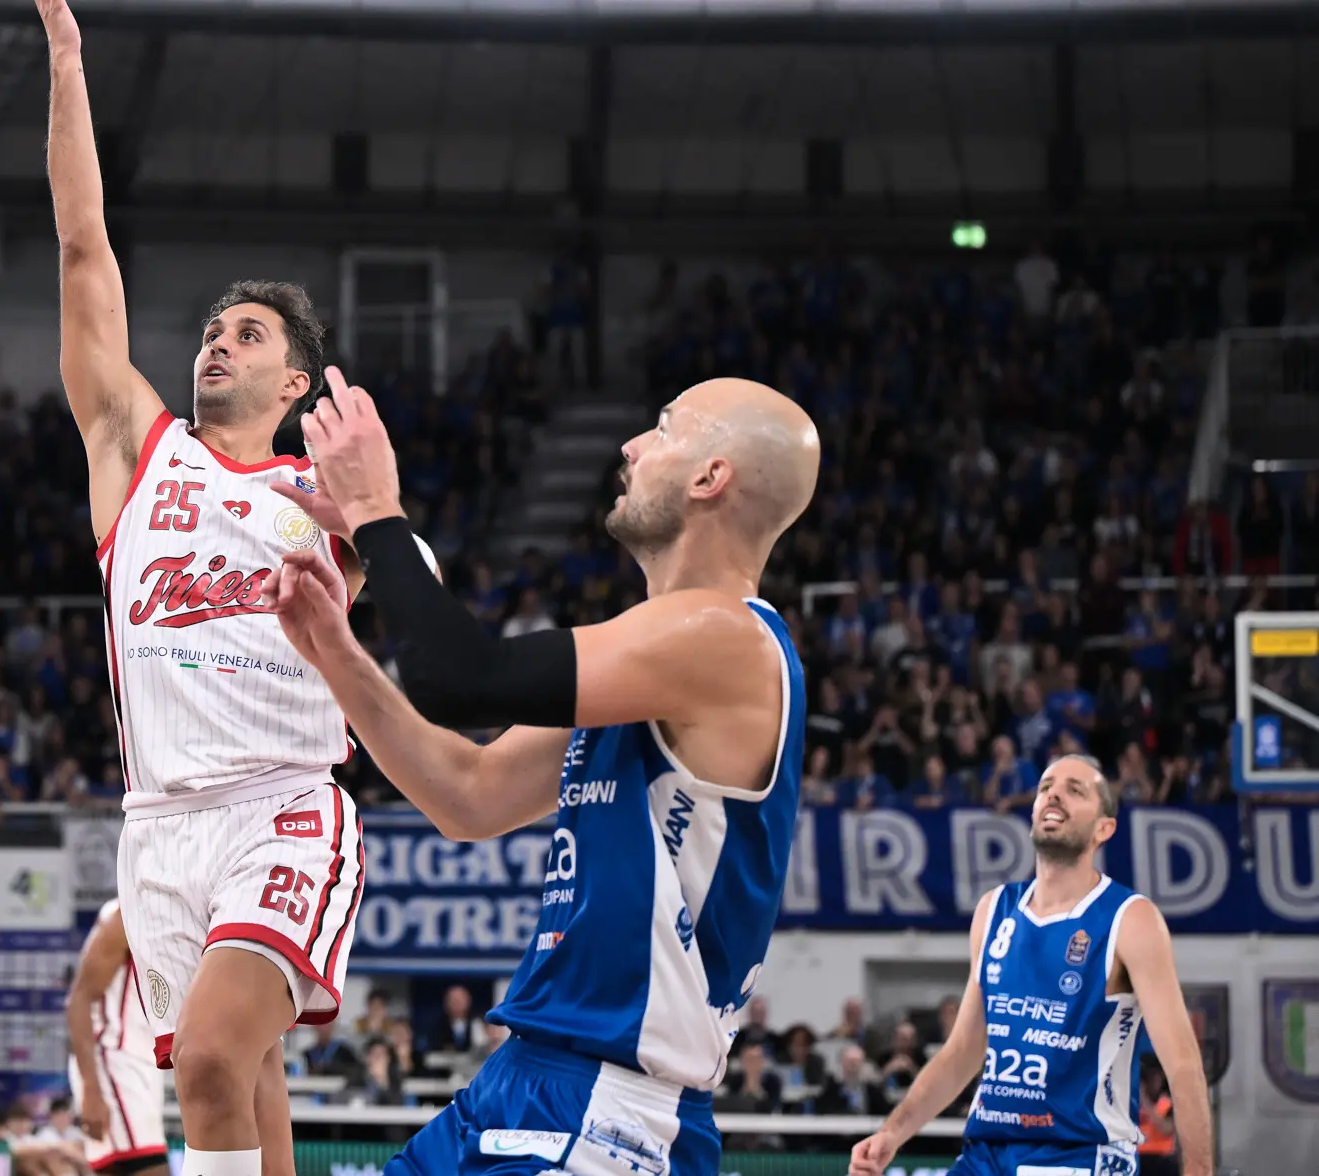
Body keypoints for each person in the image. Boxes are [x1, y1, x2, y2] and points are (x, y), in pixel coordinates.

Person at [2, 0, 368, 1176]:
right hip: (158, 823)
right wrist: (66, 58)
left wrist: (367, 521)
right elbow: (82, 248)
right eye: (211, 329)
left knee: (210, 1062)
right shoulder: (136, 449)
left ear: (296, 381)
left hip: (283, 801)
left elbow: (399, 597)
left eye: (247, 334)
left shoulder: (325, 491)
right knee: (244, 1085)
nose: (217, 343)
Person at [266, 373, 820, 1176]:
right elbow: (469, 793)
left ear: (710, 477)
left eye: (664, 429)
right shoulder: (655, 661)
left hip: (611, 1110)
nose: (631, 446)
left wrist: (376, 509)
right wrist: (335, 653)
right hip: (521, 1078)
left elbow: (463, 677)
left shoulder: (723, 638)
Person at [850, 755, 1215, 1176]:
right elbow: (963, 1051)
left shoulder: (1130, 919)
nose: (1054, 795)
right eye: (1045, 787)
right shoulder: (994, 909)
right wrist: (892, 1134)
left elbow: (1183, 1065)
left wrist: (1200, 1170)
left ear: (1104, 828)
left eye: (1074, 790)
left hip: (1078, 1154)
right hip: (987, 1154)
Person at [63, 902, 167, 1176]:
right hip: (112, 1058)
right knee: (151, 1168)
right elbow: (78, 1001)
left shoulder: (173, 912)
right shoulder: (125, 915)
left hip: (144, 1060)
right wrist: (91, 1089)